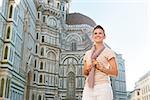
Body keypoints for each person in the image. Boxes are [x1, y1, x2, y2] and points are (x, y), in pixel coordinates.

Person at [82, 25, 118, 100]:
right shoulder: (87, 53)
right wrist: (88, 69)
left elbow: (115, 72)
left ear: (104, 36)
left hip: (103, 87)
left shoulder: (109, 52)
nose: (97, 35)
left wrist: (101, 67)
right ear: (92, 37)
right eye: (95, 33)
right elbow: (85, 73)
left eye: (100, 33)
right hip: (88, 88)